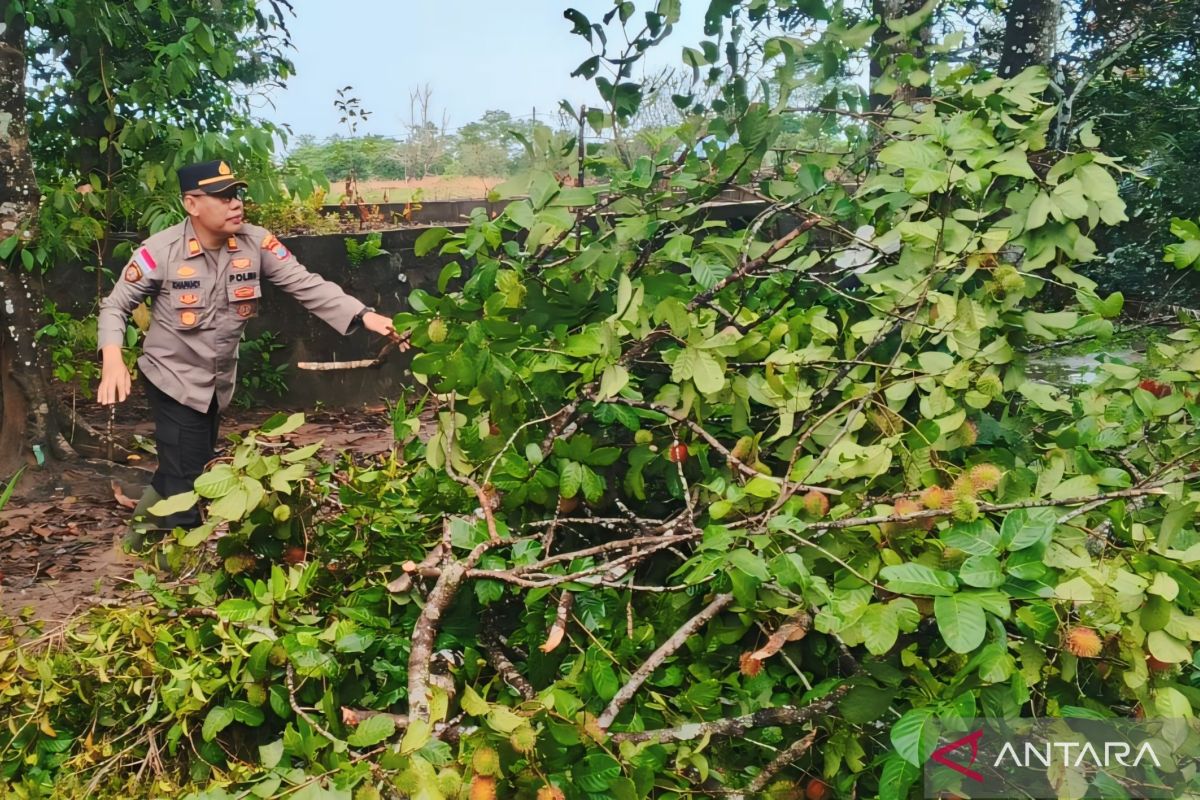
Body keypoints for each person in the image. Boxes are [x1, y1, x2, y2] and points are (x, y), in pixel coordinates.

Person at [97, 159, 399, 538]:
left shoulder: (255, 243)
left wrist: (365, 315)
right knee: (190, 478)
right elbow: (115, 305)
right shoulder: (160, 251)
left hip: (216, 381)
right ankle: (179, 557)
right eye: (221, 197)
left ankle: (134, 538)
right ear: (192, 204)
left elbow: (305, 284)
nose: (235, 203)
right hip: (171, 378)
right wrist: (112, 358)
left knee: (187, 463)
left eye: (236, 194)